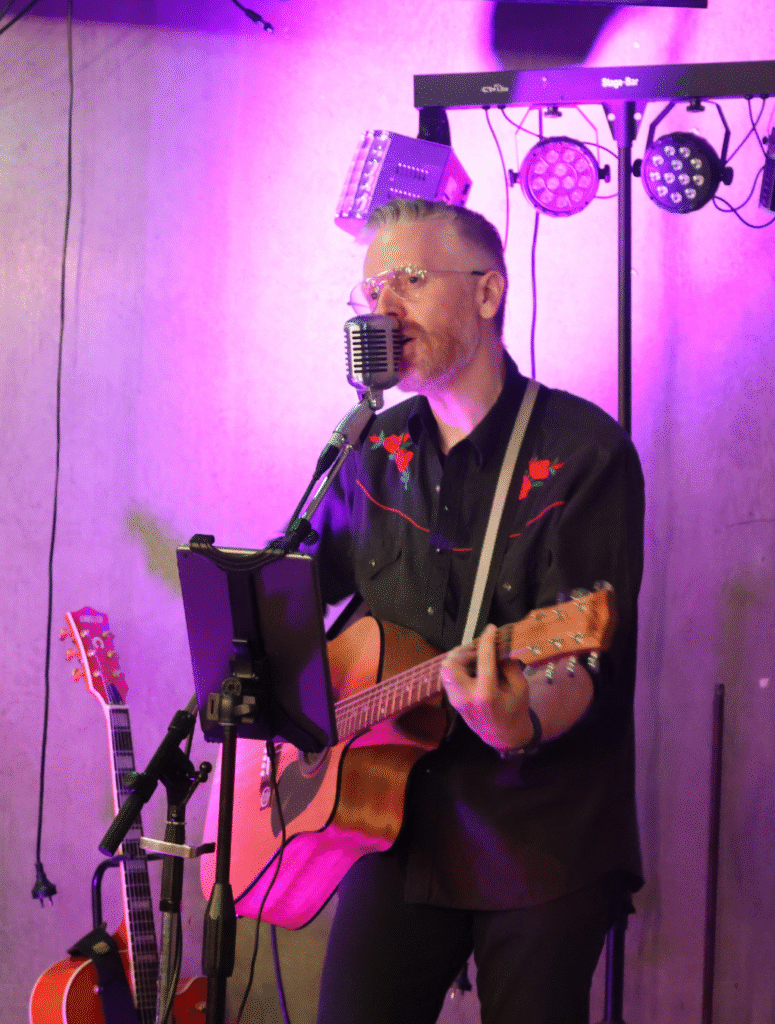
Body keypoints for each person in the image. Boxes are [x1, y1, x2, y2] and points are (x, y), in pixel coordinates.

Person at [306, 198, 644, 1024]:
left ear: (488, 293)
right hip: (392, 824)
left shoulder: (583, 452)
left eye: (410, 280)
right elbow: (300, 592)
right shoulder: (368, 449)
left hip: (541, 837)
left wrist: (517, 720)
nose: (383, 304)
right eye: (371, 288)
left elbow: (579, 651)